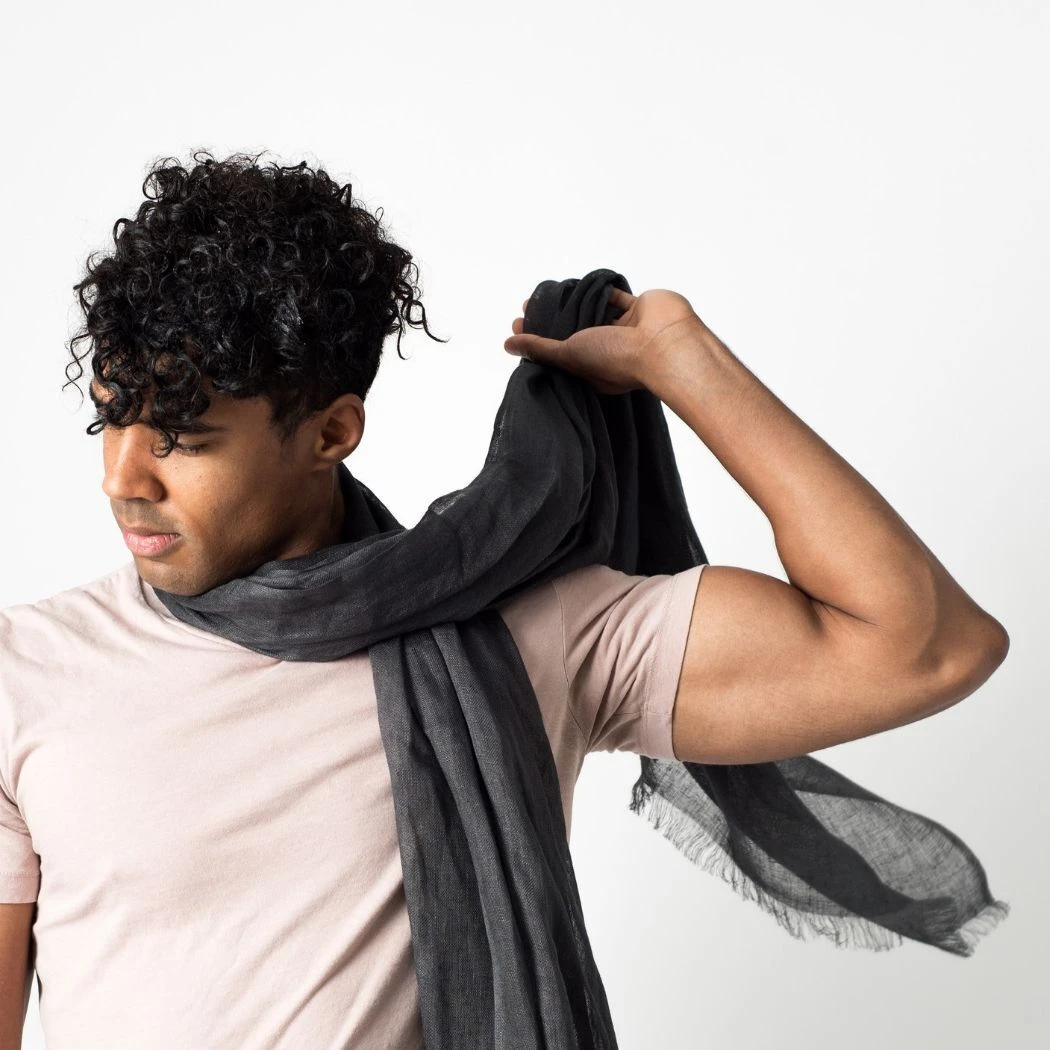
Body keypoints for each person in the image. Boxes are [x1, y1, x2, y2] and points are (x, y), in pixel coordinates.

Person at [0, 149, 1008, 1049]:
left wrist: (684, 364)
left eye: (181, 439)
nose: (122, 478)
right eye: (109, 421)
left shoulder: (522, 633)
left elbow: (927, 646)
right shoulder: (27, 673)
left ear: (331, 433)